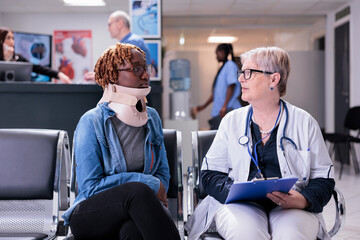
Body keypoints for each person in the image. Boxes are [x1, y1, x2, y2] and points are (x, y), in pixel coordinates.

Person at [185, 46, 335, 240]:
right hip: (239, 205)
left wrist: (305, 200)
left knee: (291, 235)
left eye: (248, 73)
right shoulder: (232, 121)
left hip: (291, 205)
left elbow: (324, 178)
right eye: (241, 73)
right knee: (246, 234)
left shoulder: (305, 123)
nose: (240, 79)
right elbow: (210, 173)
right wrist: (235, 192)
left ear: (274, 79)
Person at [62, 43, 180, 240]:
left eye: (146, 68)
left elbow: (163, 176)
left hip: (136, 211)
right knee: (138, 190)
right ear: (113, 75)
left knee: (132, 232)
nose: (145, 75)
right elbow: (90, 187)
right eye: (136, 68)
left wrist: (149, 187)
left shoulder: (152, 118)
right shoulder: (91, 121)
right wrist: (145, 182)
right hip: (90, 214)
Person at [194, 43, 241, 130]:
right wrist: (203, 106)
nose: (216, 57)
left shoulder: (230, 66)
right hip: (221, 111)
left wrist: (224, 106)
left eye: (217, 54)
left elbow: (231, 86)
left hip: (227, 110)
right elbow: (216, 93)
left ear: (222, 52)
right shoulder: (223, 67)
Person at [0, 27, 71, 84]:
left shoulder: (18, 58)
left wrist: (58, 74)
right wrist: (5, 60)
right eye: (8, 38)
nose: (12, 42)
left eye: (13, 38)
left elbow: (37, 68)